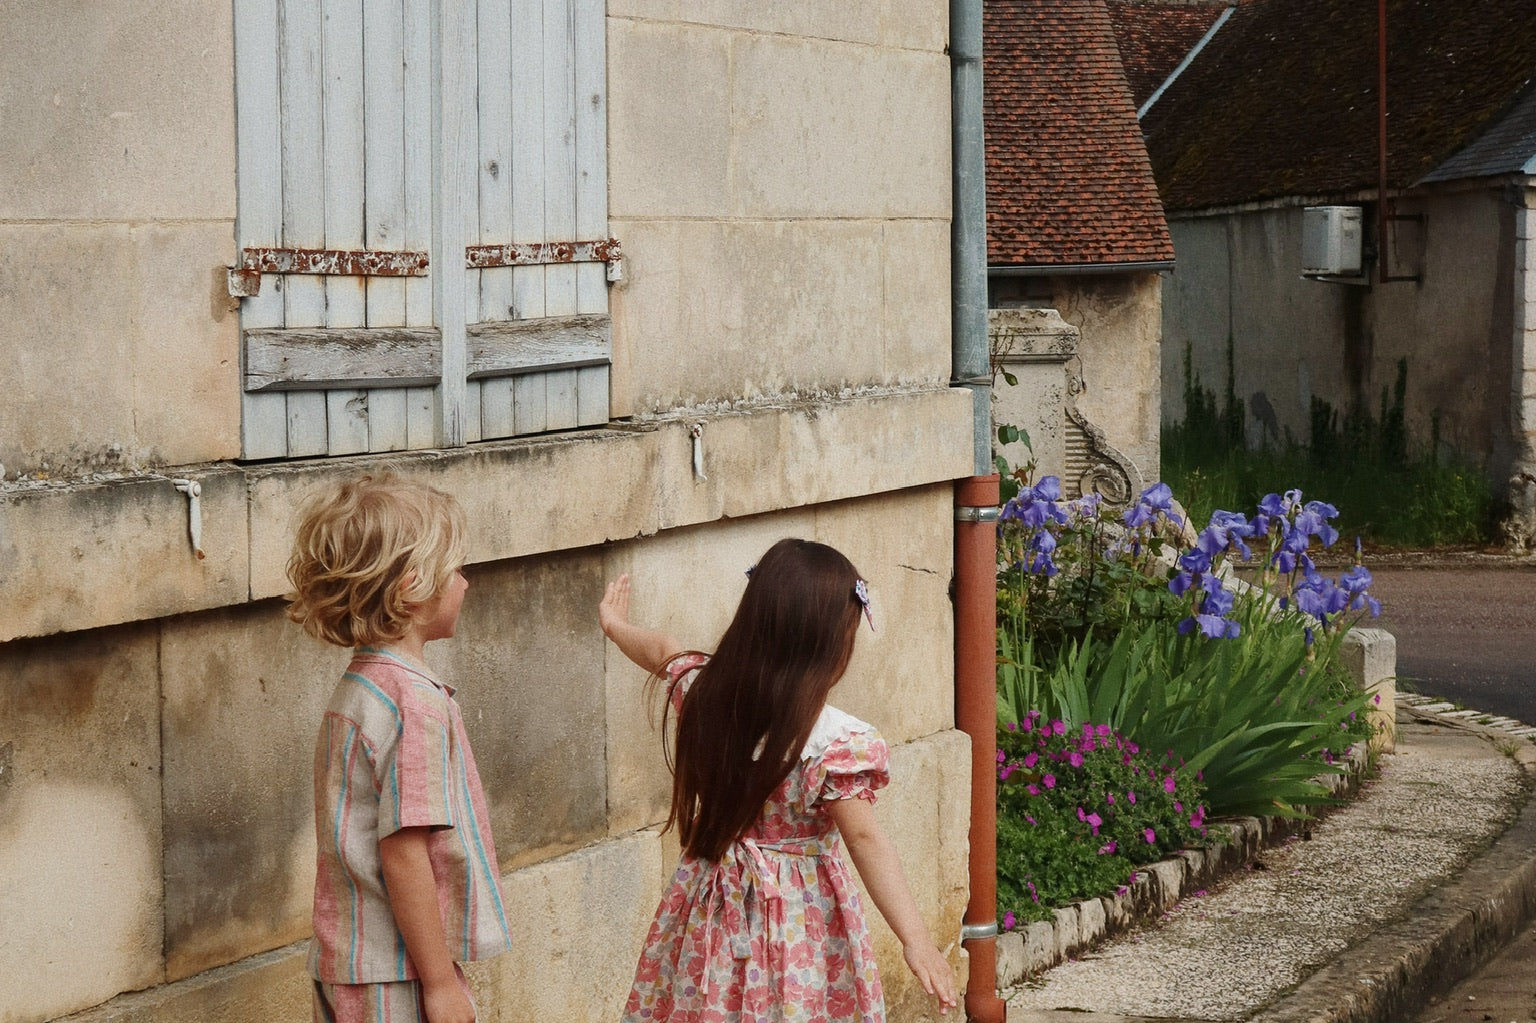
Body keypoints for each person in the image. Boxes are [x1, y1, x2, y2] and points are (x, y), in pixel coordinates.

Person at [599, 538, 958, 1022]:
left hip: (710, 898)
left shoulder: (703, 693)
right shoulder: (836, 743)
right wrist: (916, 939)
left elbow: (663, 651)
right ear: (831, 644)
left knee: (710, 1001)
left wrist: (615, 625)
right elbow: (865, 837)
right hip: (798, 916)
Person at [286, 473, 512, 1023]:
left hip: (351, 964)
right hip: (398, 972)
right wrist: (440, 985)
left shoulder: (360, 688)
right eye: (455, 569)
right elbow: (404, 850)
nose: (465, 583)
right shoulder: (416, 704)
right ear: (412, 586)